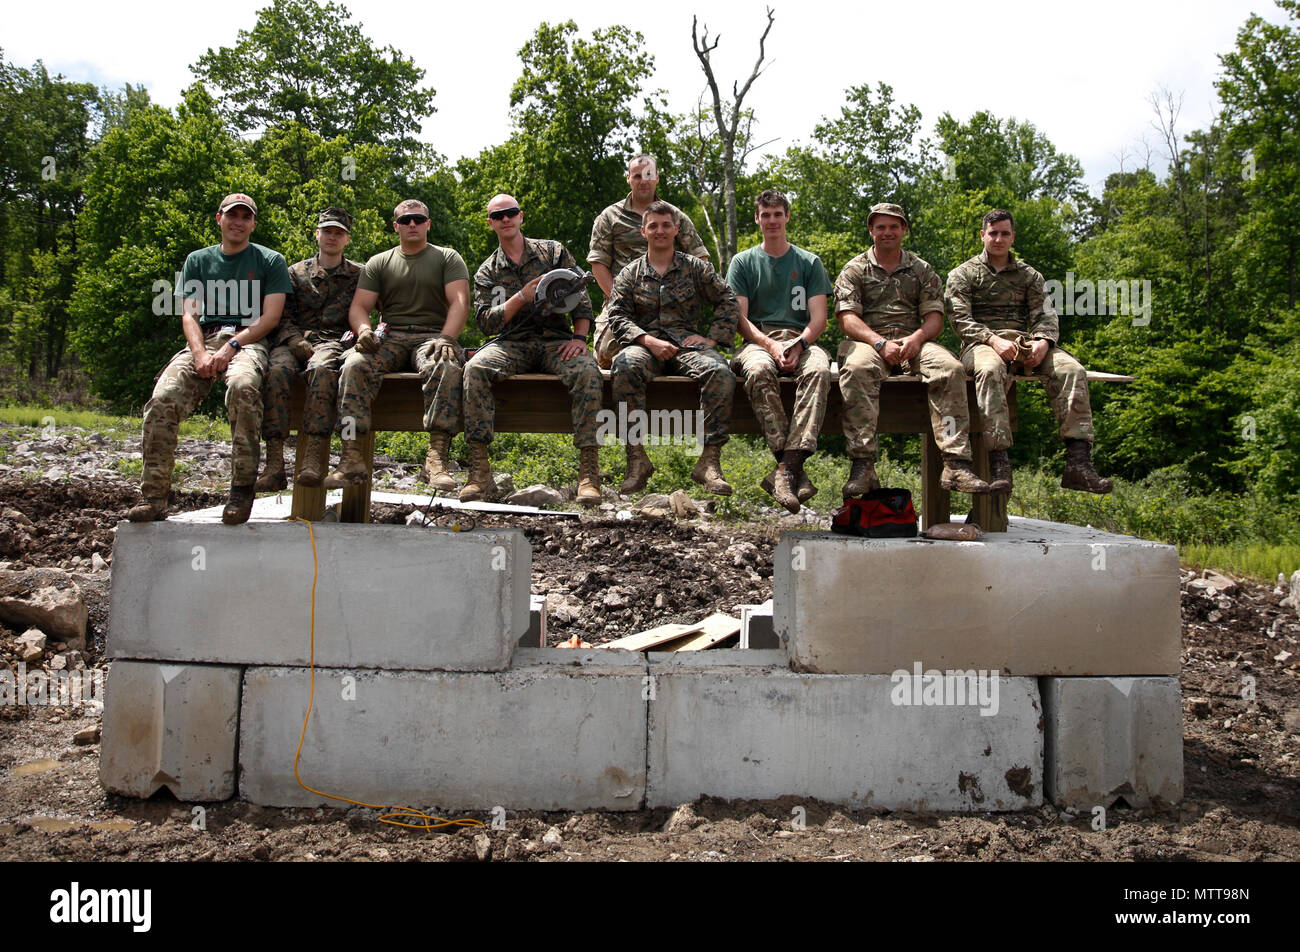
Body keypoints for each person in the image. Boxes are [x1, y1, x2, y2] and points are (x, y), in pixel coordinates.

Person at [127, 193, 291, 525]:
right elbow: (189, 315)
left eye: (246, 217)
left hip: (248, 340)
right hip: (203, 339)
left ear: (253, 224)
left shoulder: (270, 261)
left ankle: (242, 489)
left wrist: (231, 346)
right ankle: (154, 498)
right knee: (161, 400)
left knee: (243, 388)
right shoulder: (198, 261)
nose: (238, 222)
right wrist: (200, 352)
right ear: (219, 218)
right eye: (232, 215)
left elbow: (270, 318)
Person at [945, 209, 1112, 494]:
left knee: (1072, 370)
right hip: (982, 345)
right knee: (989, 370)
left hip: (1027, 342)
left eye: (1005, 233)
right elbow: (959, 319)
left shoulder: (1029, 275)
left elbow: (1045, 315)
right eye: (993, 232)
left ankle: (1078, 463)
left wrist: (1043, 342)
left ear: (1012, 237)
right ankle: (1000, 464)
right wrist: (993, 340)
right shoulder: (964, 274)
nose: (999, 239)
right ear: (983, 235)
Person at [834, 202, 990, 497]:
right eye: (880, 227)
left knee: (950, 368)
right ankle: (863, 463)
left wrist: (917, 338)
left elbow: (934, 318)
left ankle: (956, 463)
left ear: (904, 230)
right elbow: (847, 318)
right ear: (871, 231)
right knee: (856, 368)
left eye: (894, 226)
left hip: (913, 340)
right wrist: (878, 342)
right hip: (870, 341)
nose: (887, 232)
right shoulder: (854, 269)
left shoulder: (921, 269)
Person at [462, 194, 604, 505]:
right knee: (475, 368)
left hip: (557, 340)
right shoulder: (488, 271)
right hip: (511, 344)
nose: (505, 219)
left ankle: (589, 474)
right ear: (491, 223)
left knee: (588, 372)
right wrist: (521, 298)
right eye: (498, 216)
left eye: (511, 212)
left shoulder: (553, 252)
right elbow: (486, 323)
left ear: (521, 216)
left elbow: (581, 295)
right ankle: (479, 472)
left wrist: (580, 339)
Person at [326, 199, 470, 490]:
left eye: (418, 219)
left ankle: (436, 458)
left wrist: (447, 338)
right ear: (396, 226)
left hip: (432, 335)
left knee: (447, 366)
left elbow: (460, 302)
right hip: (390, 334)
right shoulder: (379, 262)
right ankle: (351, 455)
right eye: (405, 221)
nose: (412, 224)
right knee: (354, 365)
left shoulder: (447, 258)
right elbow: (359, 306)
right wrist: (364, 330)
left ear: (428, 224)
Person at [607, 200, 739, 495]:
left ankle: (709, 462)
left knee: (720, 372)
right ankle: (636, 459)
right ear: (644, 231)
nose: (660, 231)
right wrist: (646, 341)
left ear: (677, 229)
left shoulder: (695, 268)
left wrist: (712, 338)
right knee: (624, 365)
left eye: (666, 225)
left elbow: (728, 300)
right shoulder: (630, 273)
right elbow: (617, 315)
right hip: (645, 344)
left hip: (686, 344)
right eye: (653, 225)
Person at [727, 189, 833, 513]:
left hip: (801, 339)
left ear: (787, 216)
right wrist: (770, 345)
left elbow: (819, 318)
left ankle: (784, 471)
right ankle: (791, 470)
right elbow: (739, 319)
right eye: (766, 215)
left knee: (818, 369)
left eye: (778, 214)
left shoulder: (809, 262)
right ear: (757, 219)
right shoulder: (743, 262)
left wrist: (799, 344)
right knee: (758, 370)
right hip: (757, 341)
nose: (772, 220)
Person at [254, 207, 360, 491]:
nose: (332, 237)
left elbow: (366, 313)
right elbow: (281, 314)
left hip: (333, 342)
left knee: (322, 369)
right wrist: (293, 340)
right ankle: (274, 461)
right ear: (317, 234)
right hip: (293, 339)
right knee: (275, 372)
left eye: (339, 233)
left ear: (347, 239)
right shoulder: (294, 272)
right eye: (327, 231)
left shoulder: (358, 275)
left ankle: (314, 456)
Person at [588, 154, 709, 368]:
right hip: (622, 303)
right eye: (637, 176)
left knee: (695, 356)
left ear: (657, 178)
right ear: (628, 178)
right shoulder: (609, 217)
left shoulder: (674, 216)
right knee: (609, 354)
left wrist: (681, 298)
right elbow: (598, 264)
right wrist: (621, 301)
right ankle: (624, 403)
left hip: (669, 306)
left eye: (648, 175)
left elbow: (701, 259)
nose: (643, 180)